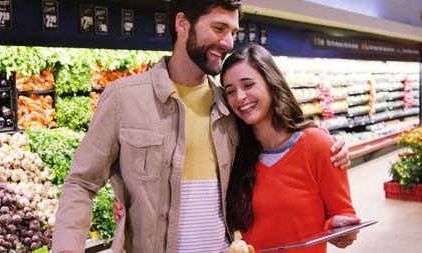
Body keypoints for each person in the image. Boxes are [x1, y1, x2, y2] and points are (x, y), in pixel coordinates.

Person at [52, 1, 350, 252]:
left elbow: (278, 147)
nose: (229, 42)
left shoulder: (230, 106)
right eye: (219, 28)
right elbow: (81, 183)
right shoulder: (123, 98)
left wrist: (323, 141)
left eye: (233, 32)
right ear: (182, 24)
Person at [221, 44, 360, 253]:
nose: (239, 97)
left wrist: (340, 229)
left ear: (271, 83)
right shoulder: (235, 152)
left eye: (248, 85)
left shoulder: (318, 145)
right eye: (230, 91)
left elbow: (344, 214)